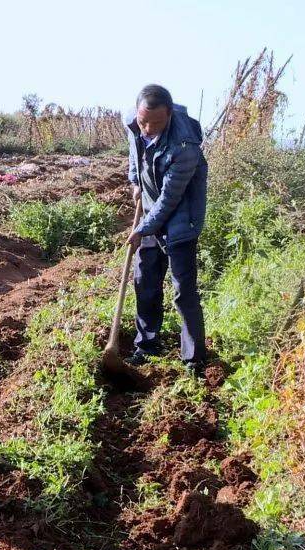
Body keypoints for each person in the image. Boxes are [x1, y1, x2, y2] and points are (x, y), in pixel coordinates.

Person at [124, 84, 209, 370]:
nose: (147, 128)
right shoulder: (135, 124)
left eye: (155, 123)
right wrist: (136, 182)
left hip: (180, 219)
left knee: (183, 290)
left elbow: (170, 199)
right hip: (150, 213)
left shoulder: (185, 147)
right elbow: (135, 158)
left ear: (169, 115)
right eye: (142, 120)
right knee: (145, 281)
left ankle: (194, 358)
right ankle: (146, 345)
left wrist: (143, 228)